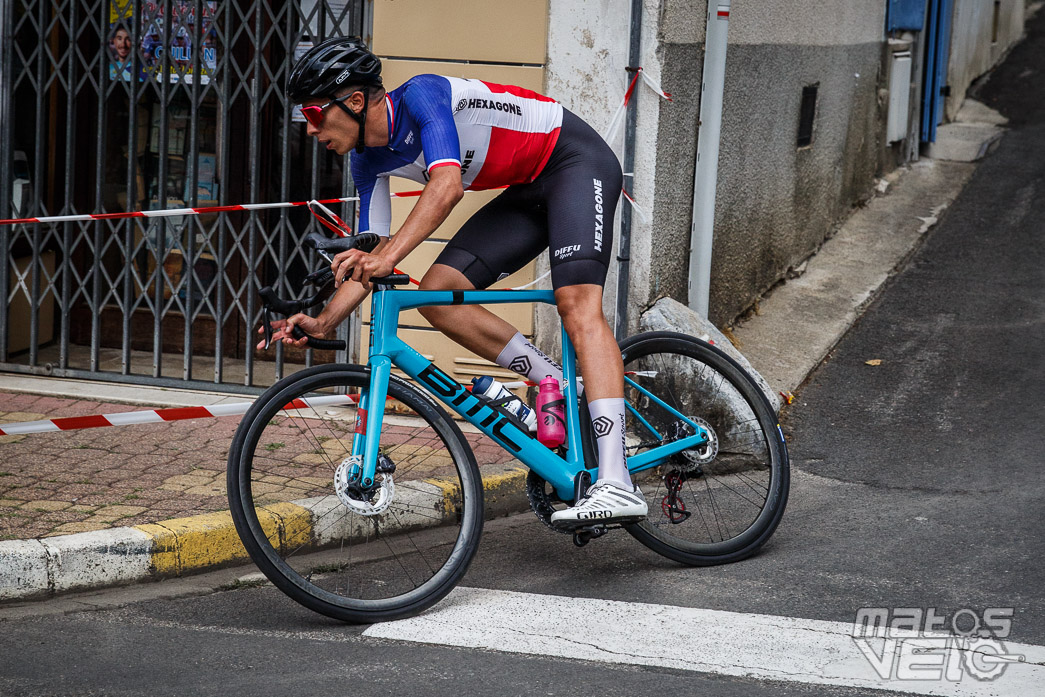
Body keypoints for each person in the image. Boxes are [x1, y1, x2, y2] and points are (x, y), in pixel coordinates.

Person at [265, 37, 647, 527]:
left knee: (577, 305)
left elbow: (447, 186)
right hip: (526, 190)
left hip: (574, 161)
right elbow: (374, 257)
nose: (311, 128)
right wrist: (323, 320)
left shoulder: (422, 97)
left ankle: (616, 482)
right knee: (436, 296)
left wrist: (385, 256)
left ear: (355, 101)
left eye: (316, 114)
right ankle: (553, 379)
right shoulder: (365, 161)